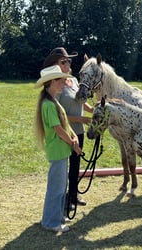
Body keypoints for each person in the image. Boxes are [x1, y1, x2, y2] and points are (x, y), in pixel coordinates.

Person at [43, 47, 93, 210]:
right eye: (63, 61)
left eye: (68, 61)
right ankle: (63, 199)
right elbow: (59, 113)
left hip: (78, 132)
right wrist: (81, 119)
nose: (67, 64)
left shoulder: (73, 80)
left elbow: (79, 101)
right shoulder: (56, 84)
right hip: (65, 134)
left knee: (75, 166)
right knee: (64, 168)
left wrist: (92, 110)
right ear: (55, 64)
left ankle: (73, 195)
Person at [35, 65, 82, 233]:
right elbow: (58, 130)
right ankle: (50, 221)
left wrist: (74, 137)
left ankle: (57, 216)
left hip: (62, 151)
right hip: (58, 151)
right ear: (51, 82)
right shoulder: (48, 104)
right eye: (61, 80)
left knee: (61, 186)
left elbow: (65, 125)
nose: (64, 83)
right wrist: (72, 142)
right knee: (56, 187)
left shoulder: (53, 101)